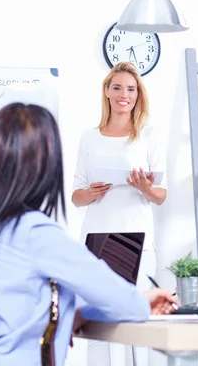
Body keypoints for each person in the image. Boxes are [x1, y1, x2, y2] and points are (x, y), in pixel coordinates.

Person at [0, 103, 178, 366]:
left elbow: (14, 310)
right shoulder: (34, 232)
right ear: (45, 165)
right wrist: (142, 301)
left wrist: (70, 317)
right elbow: (121, 301)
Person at [72, 62, 168, 366]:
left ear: (138, 94)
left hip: (136, 238)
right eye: (117, 88)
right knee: (100, 320)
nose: (123, 95)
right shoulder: (89, 138)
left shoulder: (147, 135)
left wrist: (145, 188)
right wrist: (93, 192)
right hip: (97, 238)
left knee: (137, 318)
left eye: (130, 89)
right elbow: (76, 196)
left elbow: (161, 195)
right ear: (107, 92)